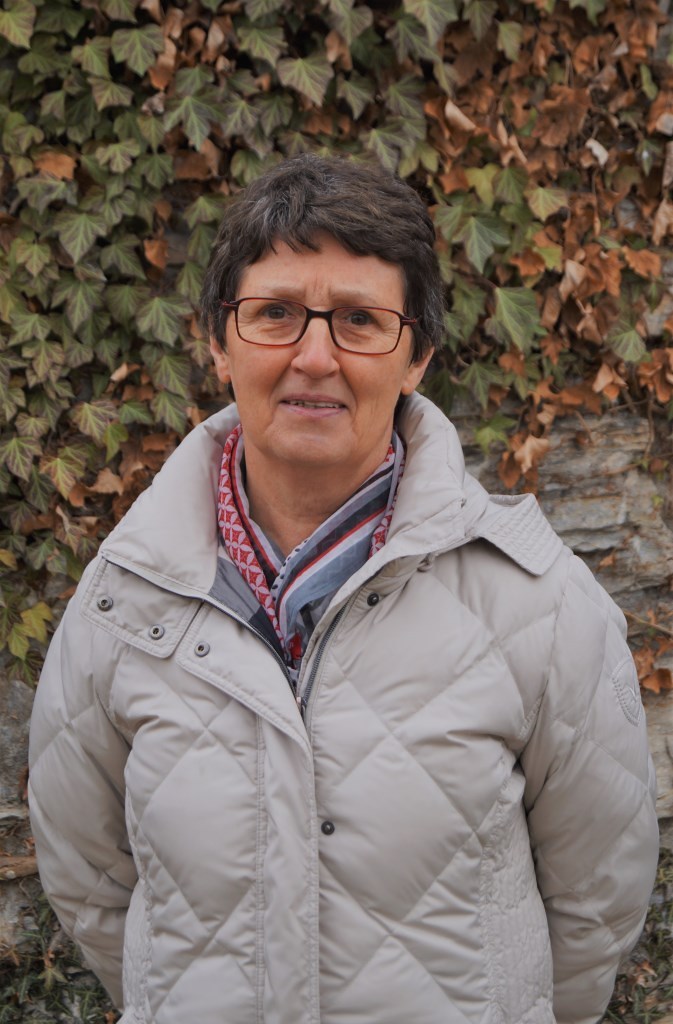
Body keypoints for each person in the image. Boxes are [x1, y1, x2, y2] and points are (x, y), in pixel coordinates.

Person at [29, 153, 658, 1024]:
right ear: (218, 342)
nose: (314, 356)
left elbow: (596, 902)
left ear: (416, 356)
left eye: (360, 320)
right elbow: (90, 883)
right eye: (275, 314)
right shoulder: (121, 603)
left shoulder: (533, 603)